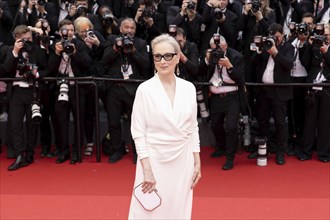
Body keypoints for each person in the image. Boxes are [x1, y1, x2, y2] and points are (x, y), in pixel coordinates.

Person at [128, 33, 201, 219]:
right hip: (153, 160)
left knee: (177, 208)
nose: (163, 61)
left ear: (177, 57)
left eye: (168, 56)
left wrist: (197, 161)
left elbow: (193, 128)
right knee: (149, 211)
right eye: (157, 56)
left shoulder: (189, 88)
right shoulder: (145, 89)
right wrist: (146, 169)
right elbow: (138, 132)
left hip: (182, 160)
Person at [102, 17, 150, 164]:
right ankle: (117, 150)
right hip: (114, 87)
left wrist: (134, 51)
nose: (129, 30)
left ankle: (138, 152)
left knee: (135, 123)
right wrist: (116, 49)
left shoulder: (141, 43)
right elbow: (104, 61)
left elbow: (146, 65)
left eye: (132, 28)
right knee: (113, 121)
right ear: (120, 29)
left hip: (133, 89)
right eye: (126, 27)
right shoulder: (111, 40)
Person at [4, 25, 49, 171]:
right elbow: (6, 70)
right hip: (16, 90)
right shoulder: (11, 51)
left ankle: (29, 153)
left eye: (29, 39)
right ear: (17, 40)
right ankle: (19, 154)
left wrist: (36, 74)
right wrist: (16, 52)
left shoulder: (38, 51)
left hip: (33, 90)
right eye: (23, 40)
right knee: (15, 123)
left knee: (32, 124)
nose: (27, 42)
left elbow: (47, 69)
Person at [199, 34, 245, 170]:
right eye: (213, 48)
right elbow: (199, 71)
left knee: (231, 127)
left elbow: (241, 79)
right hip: (215, 97)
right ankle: (222, 147)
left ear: (225, 46)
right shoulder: (210, 57)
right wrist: (207, 60)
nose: (216, 50)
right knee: (215, 125)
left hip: (232, 96)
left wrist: (229, 66)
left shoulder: (236, 57)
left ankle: (230, 157)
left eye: (218, 47)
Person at [251, 23, 295, 165]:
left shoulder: (288, 47)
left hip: (279, 91)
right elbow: (253, 63)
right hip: (264, 90)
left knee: (280, 122)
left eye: (277, 37)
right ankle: (264, 148)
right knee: (262, 121)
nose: (274, 40)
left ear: (282, 35)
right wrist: (259, 50)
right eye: (272, 37)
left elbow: (288, 65)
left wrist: (275, 52)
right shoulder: (266, 45)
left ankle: (281, 151)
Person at [298, 24, 330, 163]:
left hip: (327, 88)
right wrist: (310, 46)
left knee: (325, 121)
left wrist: (326, 53)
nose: (325, 37)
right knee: (309, 121)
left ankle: (323, 153)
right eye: (323, 34)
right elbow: (304, 62)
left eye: (327, 35)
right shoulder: (315, 45)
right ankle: (306, 151)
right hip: (312, 86)